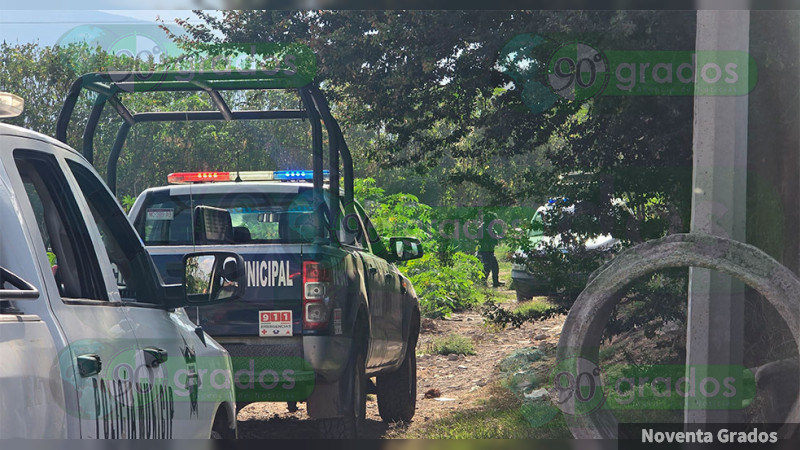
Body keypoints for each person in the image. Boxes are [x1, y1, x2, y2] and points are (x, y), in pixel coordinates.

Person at [476, 211, 503, 287]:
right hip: (485, 252)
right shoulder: (483, 228)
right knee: (486, 268)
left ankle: (495, 282)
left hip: (490, 251)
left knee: (495, 267)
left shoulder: (488, 227)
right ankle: (483, 283)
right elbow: (484, 239)